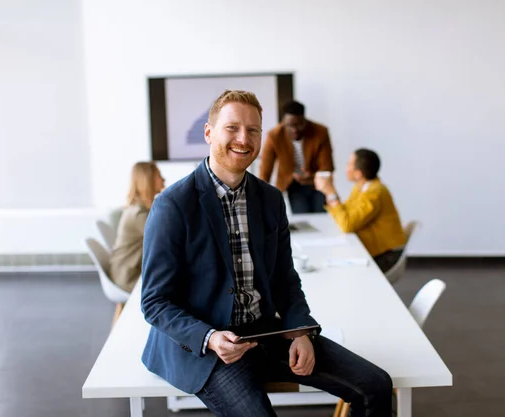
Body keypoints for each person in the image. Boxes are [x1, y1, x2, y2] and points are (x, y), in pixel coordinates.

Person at [140, 90, 392, 416]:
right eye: (232, 128)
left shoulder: (270, 199)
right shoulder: (173, 205)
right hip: (210, 346)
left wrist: (300, 330)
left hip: (265, 331)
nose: (243, 139)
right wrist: (210, 337)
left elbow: (284, 277)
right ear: (209, 133)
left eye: (253, 130)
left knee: (376, 386)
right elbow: (155, 302)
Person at [314, 149, 407, 273]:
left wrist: (331, 193)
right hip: (375, 250)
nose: (346, 167)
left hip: (386, 256)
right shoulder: (361, 187)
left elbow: (347, 225)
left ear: (358, 173)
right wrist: (329, 192)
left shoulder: (374, 193)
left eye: (349, 164)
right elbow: (346, 212)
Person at [258, 100, 334, 214]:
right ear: (283, 122)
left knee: (321, 215)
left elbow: (327, 166)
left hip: (318, 182)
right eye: (290, 125)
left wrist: (312, 177)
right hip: (292, 184)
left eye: (299, 124)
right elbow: (265, 170)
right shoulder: (274, 136)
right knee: (302, 216)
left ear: (305, 120)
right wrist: (261, 197)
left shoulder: (320, 132)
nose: (295, 130)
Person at [109, 162, 165, 293]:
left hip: (124, 270)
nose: (163, 179)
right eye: (158, 176)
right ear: (148, 180)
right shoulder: (139, 215)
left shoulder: (137, 208)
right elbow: (165, 240)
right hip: (129, 277)